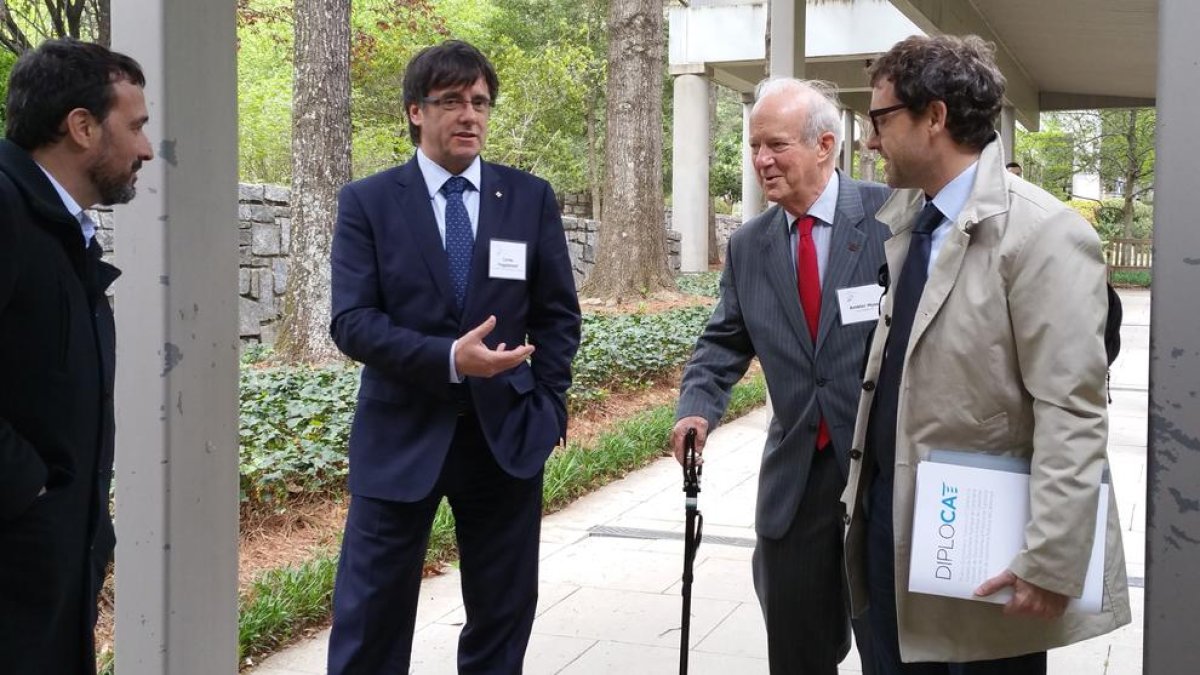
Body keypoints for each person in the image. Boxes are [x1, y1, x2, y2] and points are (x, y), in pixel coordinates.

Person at [842, 34, 1131, 674]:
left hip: (986, 564)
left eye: (880, 118)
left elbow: (1072, 410)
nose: (867, 139)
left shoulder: (1044, 234)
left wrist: (1052, 559)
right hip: (891, 542)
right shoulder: (909, 223)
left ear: (935, 117)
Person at [327, 39, 581, 673]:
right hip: (399, 438)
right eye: (451, 102)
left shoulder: (529, 198)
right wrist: (448, 358)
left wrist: (548, 406)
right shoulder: (369, 203)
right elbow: (351, 323)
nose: (470, 115)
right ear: (415, 110)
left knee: (502, 618)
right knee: (370, 622)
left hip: (505, 440)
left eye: (480, 102)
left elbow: (558, 315)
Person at [672, 78, 889, 674]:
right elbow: (723, 342)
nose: (761, 160)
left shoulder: (891, 218)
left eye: (776, 145)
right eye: (753, 147)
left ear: (825, 145)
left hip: (880, 470)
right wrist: (697, 407)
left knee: (890, 650)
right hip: (798, 476)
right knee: (796, 652)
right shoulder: (750, 245)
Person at [0, 38, 152, 672]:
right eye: (136, 126)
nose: (146, 148)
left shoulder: (57, 226)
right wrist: (29, 491)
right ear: (82, 127)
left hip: (52, 567)